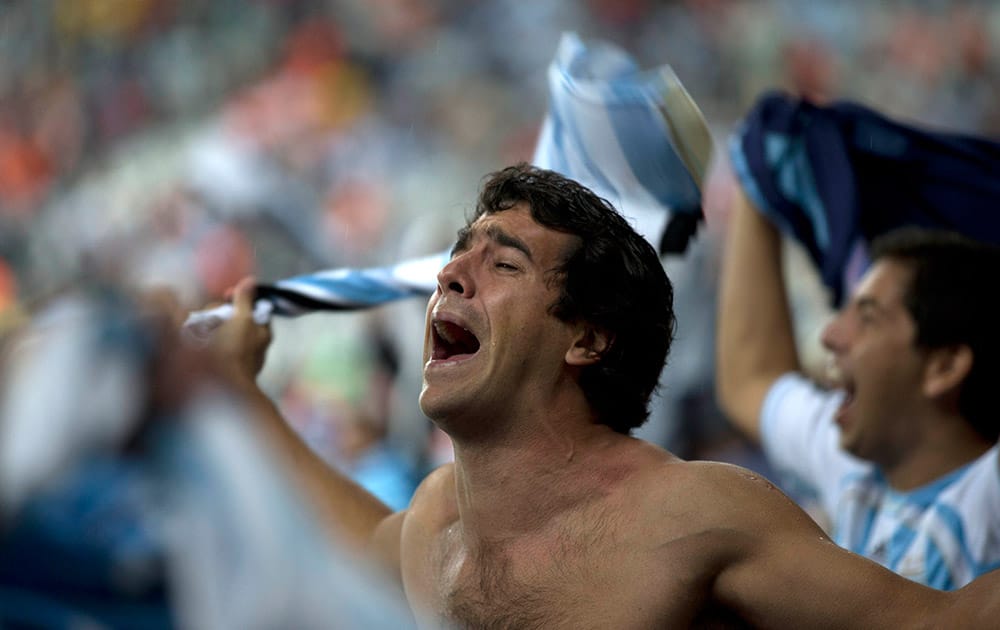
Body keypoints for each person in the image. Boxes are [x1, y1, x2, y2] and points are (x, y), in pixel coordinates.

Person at [214, 163, 998, 628]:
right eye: (460, 257)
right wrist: (240, 392)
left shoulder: (694, 518)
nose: (451, 276)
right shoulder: (433, 525)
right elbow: (350, 535)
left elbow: (934, 624)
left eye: (505, 264)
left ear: (585, 339)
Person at [716, 178, 1000, 590]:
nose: (831, 335)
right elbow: (751, 379)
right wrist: (754, 183)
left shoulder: (987, 498)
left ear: (945, 366)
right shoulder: (853, 461)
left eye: (867, 317)